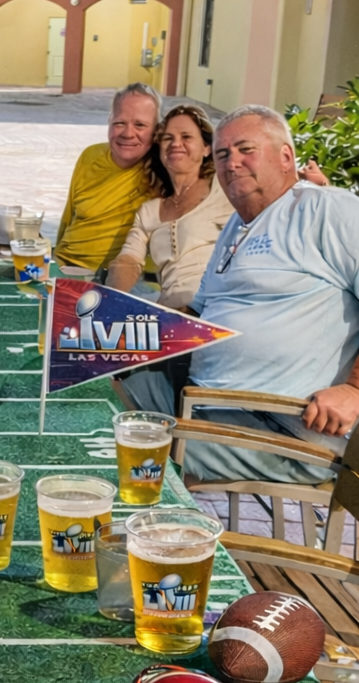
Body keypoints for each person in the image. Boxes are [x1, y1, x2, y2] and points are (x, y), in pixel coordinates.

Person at [123, 105, 359, 486]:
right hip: (204, 403)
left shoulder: (326, 211)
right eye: (222, 154)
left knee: (121, 440)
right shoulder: (239, 224)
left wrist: (353, 391)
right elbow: (197, 312)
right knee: (98, 389)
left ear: (286, 157)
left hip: (282, 428)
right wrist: (129, 331)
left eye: (246, 150)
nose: (232, 163)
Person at [107, 104, 232, 310]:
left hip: (215, 311)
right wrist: (110, 297)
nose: (176, 144)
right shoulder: (149, 211)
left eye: (186, 137)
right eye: (168, 138)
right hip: (170, 315)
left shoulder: (225, 189)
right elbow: (128, 260)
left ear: (206, 148)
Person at [55, 84, 161, 271]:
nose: (128, 133)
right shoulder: (90, 156)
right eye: (119, 123)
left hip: (118, 276)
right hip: (65, 266)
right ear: (109, 122)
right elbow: (68, 219)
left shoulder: (163, 169)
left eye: (140, 125)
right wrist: (55, 265)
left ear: (156, 131)